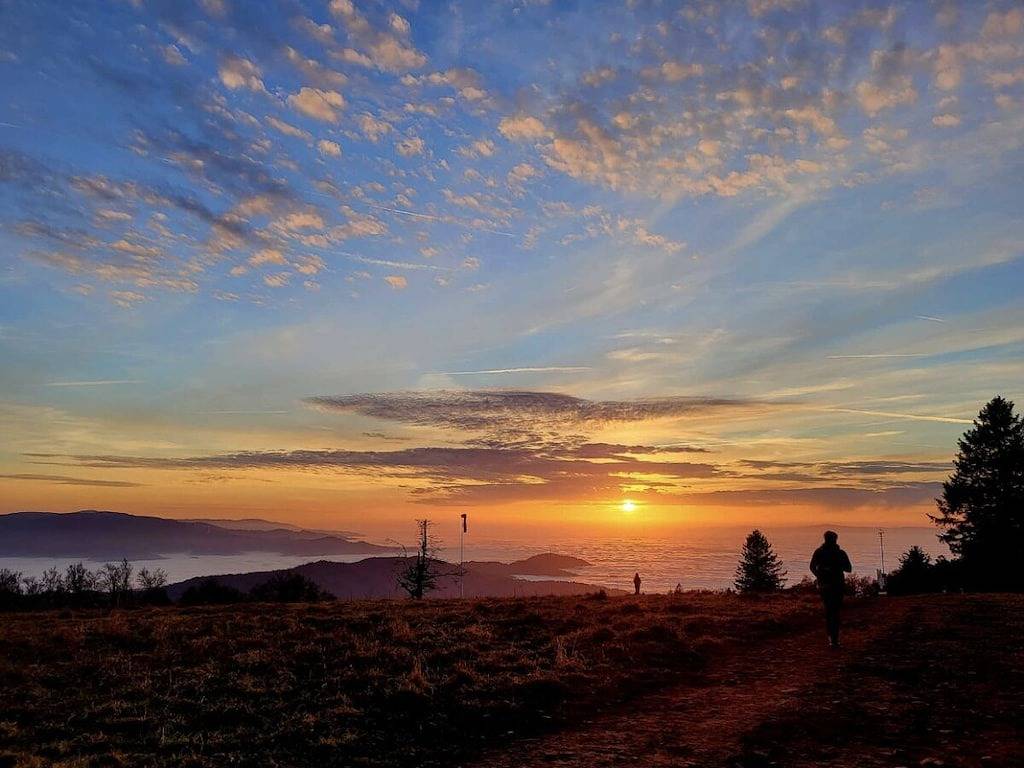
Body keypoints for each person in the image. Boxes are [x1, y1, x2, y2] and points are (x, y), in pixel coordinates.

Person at [810, 531, 852, 647]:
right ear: (835, 540)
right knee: (834, 611)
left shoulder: (819, 552)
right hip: (837, 585)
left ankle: (832, 637)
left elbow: (812, 567)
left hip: (825, 585)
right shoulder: (841, 553)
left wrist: (820, 575)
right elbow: (848, 568)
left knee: (829, 611)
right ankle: (834, 638)